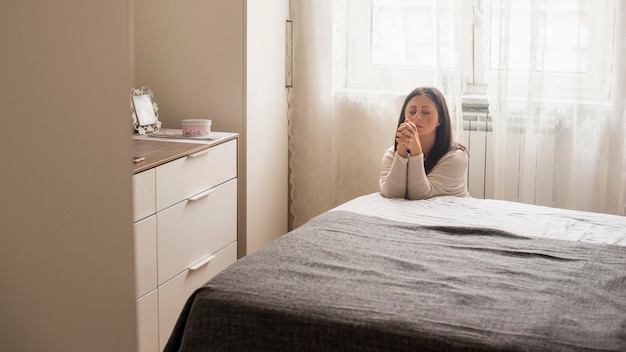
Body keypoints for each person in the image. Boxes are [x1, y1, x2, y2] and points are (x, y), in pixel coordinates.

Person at [379, 86, 469, 199]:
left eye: (426, 112)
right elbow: (392, 194)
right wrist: (401, 150)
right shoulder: (392, 154)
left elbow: (420, 195)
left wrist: (416, 153)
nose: (417, 117)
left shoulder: (456, 157)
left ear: (440, 119)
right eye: (412, 112)